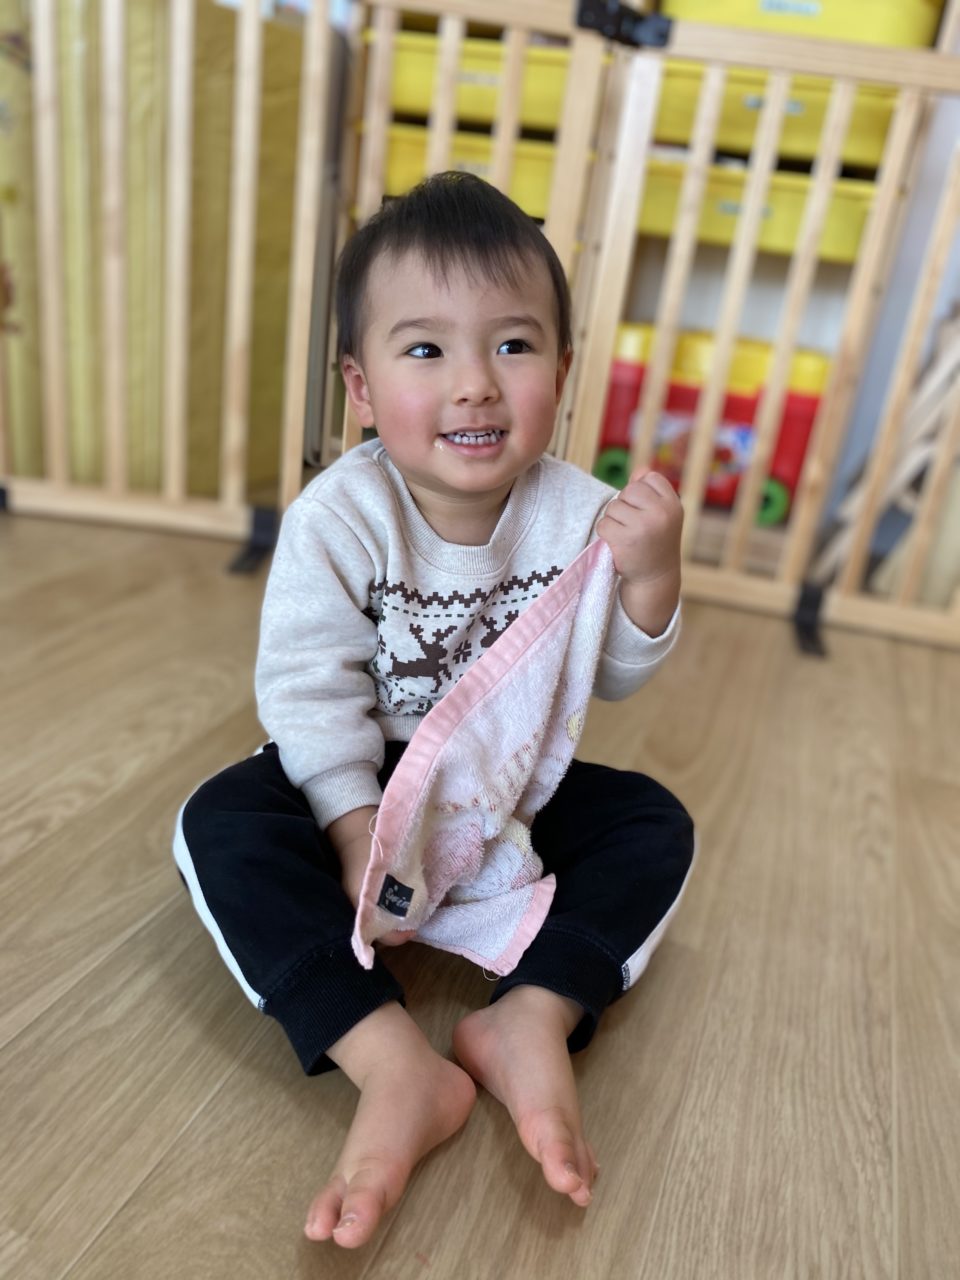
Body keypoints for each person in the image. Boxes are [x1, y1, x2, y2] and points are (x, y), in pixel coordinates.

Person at [174, 171, 695, 1250]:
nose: (475, 386)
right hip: (362, 773)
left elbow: (607, 675)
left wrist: (652, 576)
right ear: (360, 386)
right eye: (426, 350)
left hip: (501, 790)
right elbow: (309, 686)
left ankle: (530, 1014)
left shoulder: (578, 513)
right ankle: (389, 1058)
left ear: (563, 370)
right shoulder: (340, 515)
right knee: (221, 822)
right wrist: (352, 825)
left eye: (513, 345)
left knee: (652, 821)